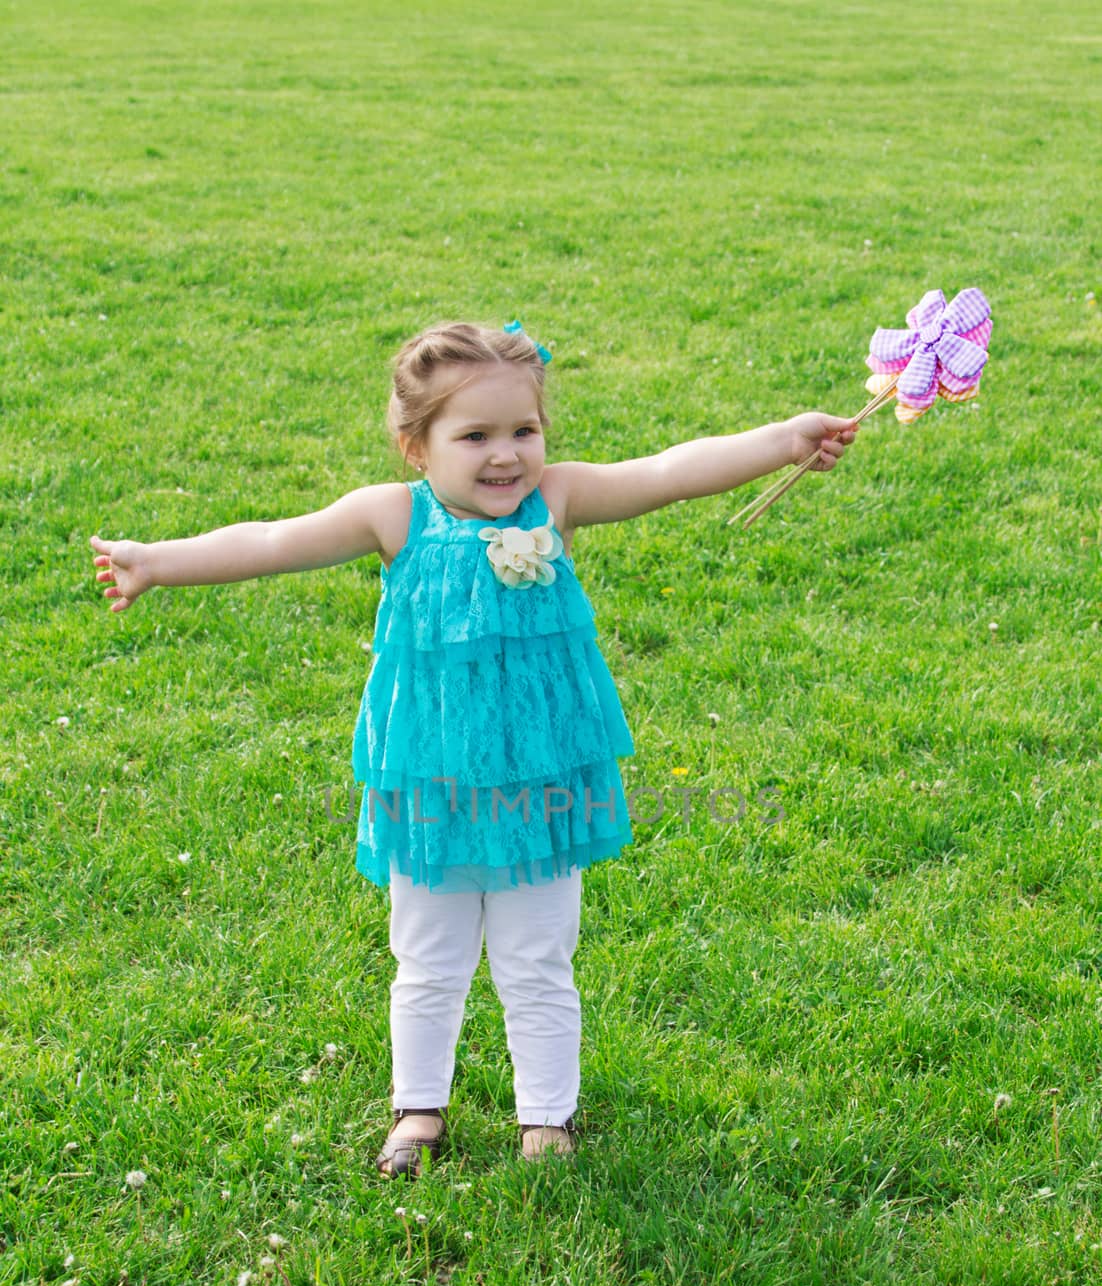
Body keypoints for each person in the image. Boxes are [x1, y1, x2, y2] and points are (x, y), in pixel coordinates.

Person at [90, 319, 858, 1178]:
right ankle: (418, 1110)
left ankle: (547, 1117)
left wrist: (783, 440)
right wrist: (156, 560)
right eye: (476, 436)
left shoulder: (556, 501)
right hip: (431, 782)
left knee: (538, 956)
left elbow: (668, 473)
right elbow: (272, 540)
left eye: (524, 431)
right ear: (416, 448)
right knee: (427, 958)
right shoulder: (391, 516)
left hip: (541, 779)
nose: (507, 456)